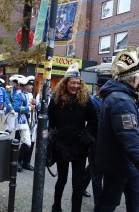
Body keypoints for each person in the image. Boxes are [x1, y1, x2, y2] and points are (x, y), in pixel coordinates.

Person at [95, 44, 139, 211]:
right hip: (120, 163)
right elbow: (131, 141)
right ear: (134, 79)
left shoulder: (118, 97)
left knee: (133, 200)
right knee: (109, 203)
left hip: (122, 162)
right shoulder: (122, 101)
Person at [48, 62, 98, 212]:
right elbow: (50, 120)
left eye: (78, 83)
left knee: (77, 182)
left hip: (79, 146)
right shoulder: (56, 99)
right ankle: (56, 207)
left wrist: (87, 134)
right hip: (61, 146)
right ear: (65, 83)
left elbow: (94, 120)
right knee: (61, 179)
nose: (76, 86)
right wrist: (52, 134)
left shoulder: (85, 99)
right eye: (72, 82)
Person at [82, 76, 110, 202]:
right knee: (97, 176)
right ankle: (99, 204)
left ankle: (80, 187)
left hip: (101, 143)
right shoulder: (93, 102)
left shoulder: (104, 100)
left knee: (92, 170)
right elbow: (99, 122)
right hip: (95, 143)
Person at [14, 76, 37, 172]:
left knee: (31, 141)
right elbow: (16, 108)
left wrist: (36, 104)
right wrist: (28, 108)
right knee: (26, 142)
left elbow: (37, 107)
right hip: (23, 121)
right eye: (30, 84)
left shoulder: (31, 95)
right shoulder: (18, 95)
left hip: (32, 121)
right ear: (24, 86)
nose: (32, 86)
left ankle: (26, 162)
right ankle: (17, 161)